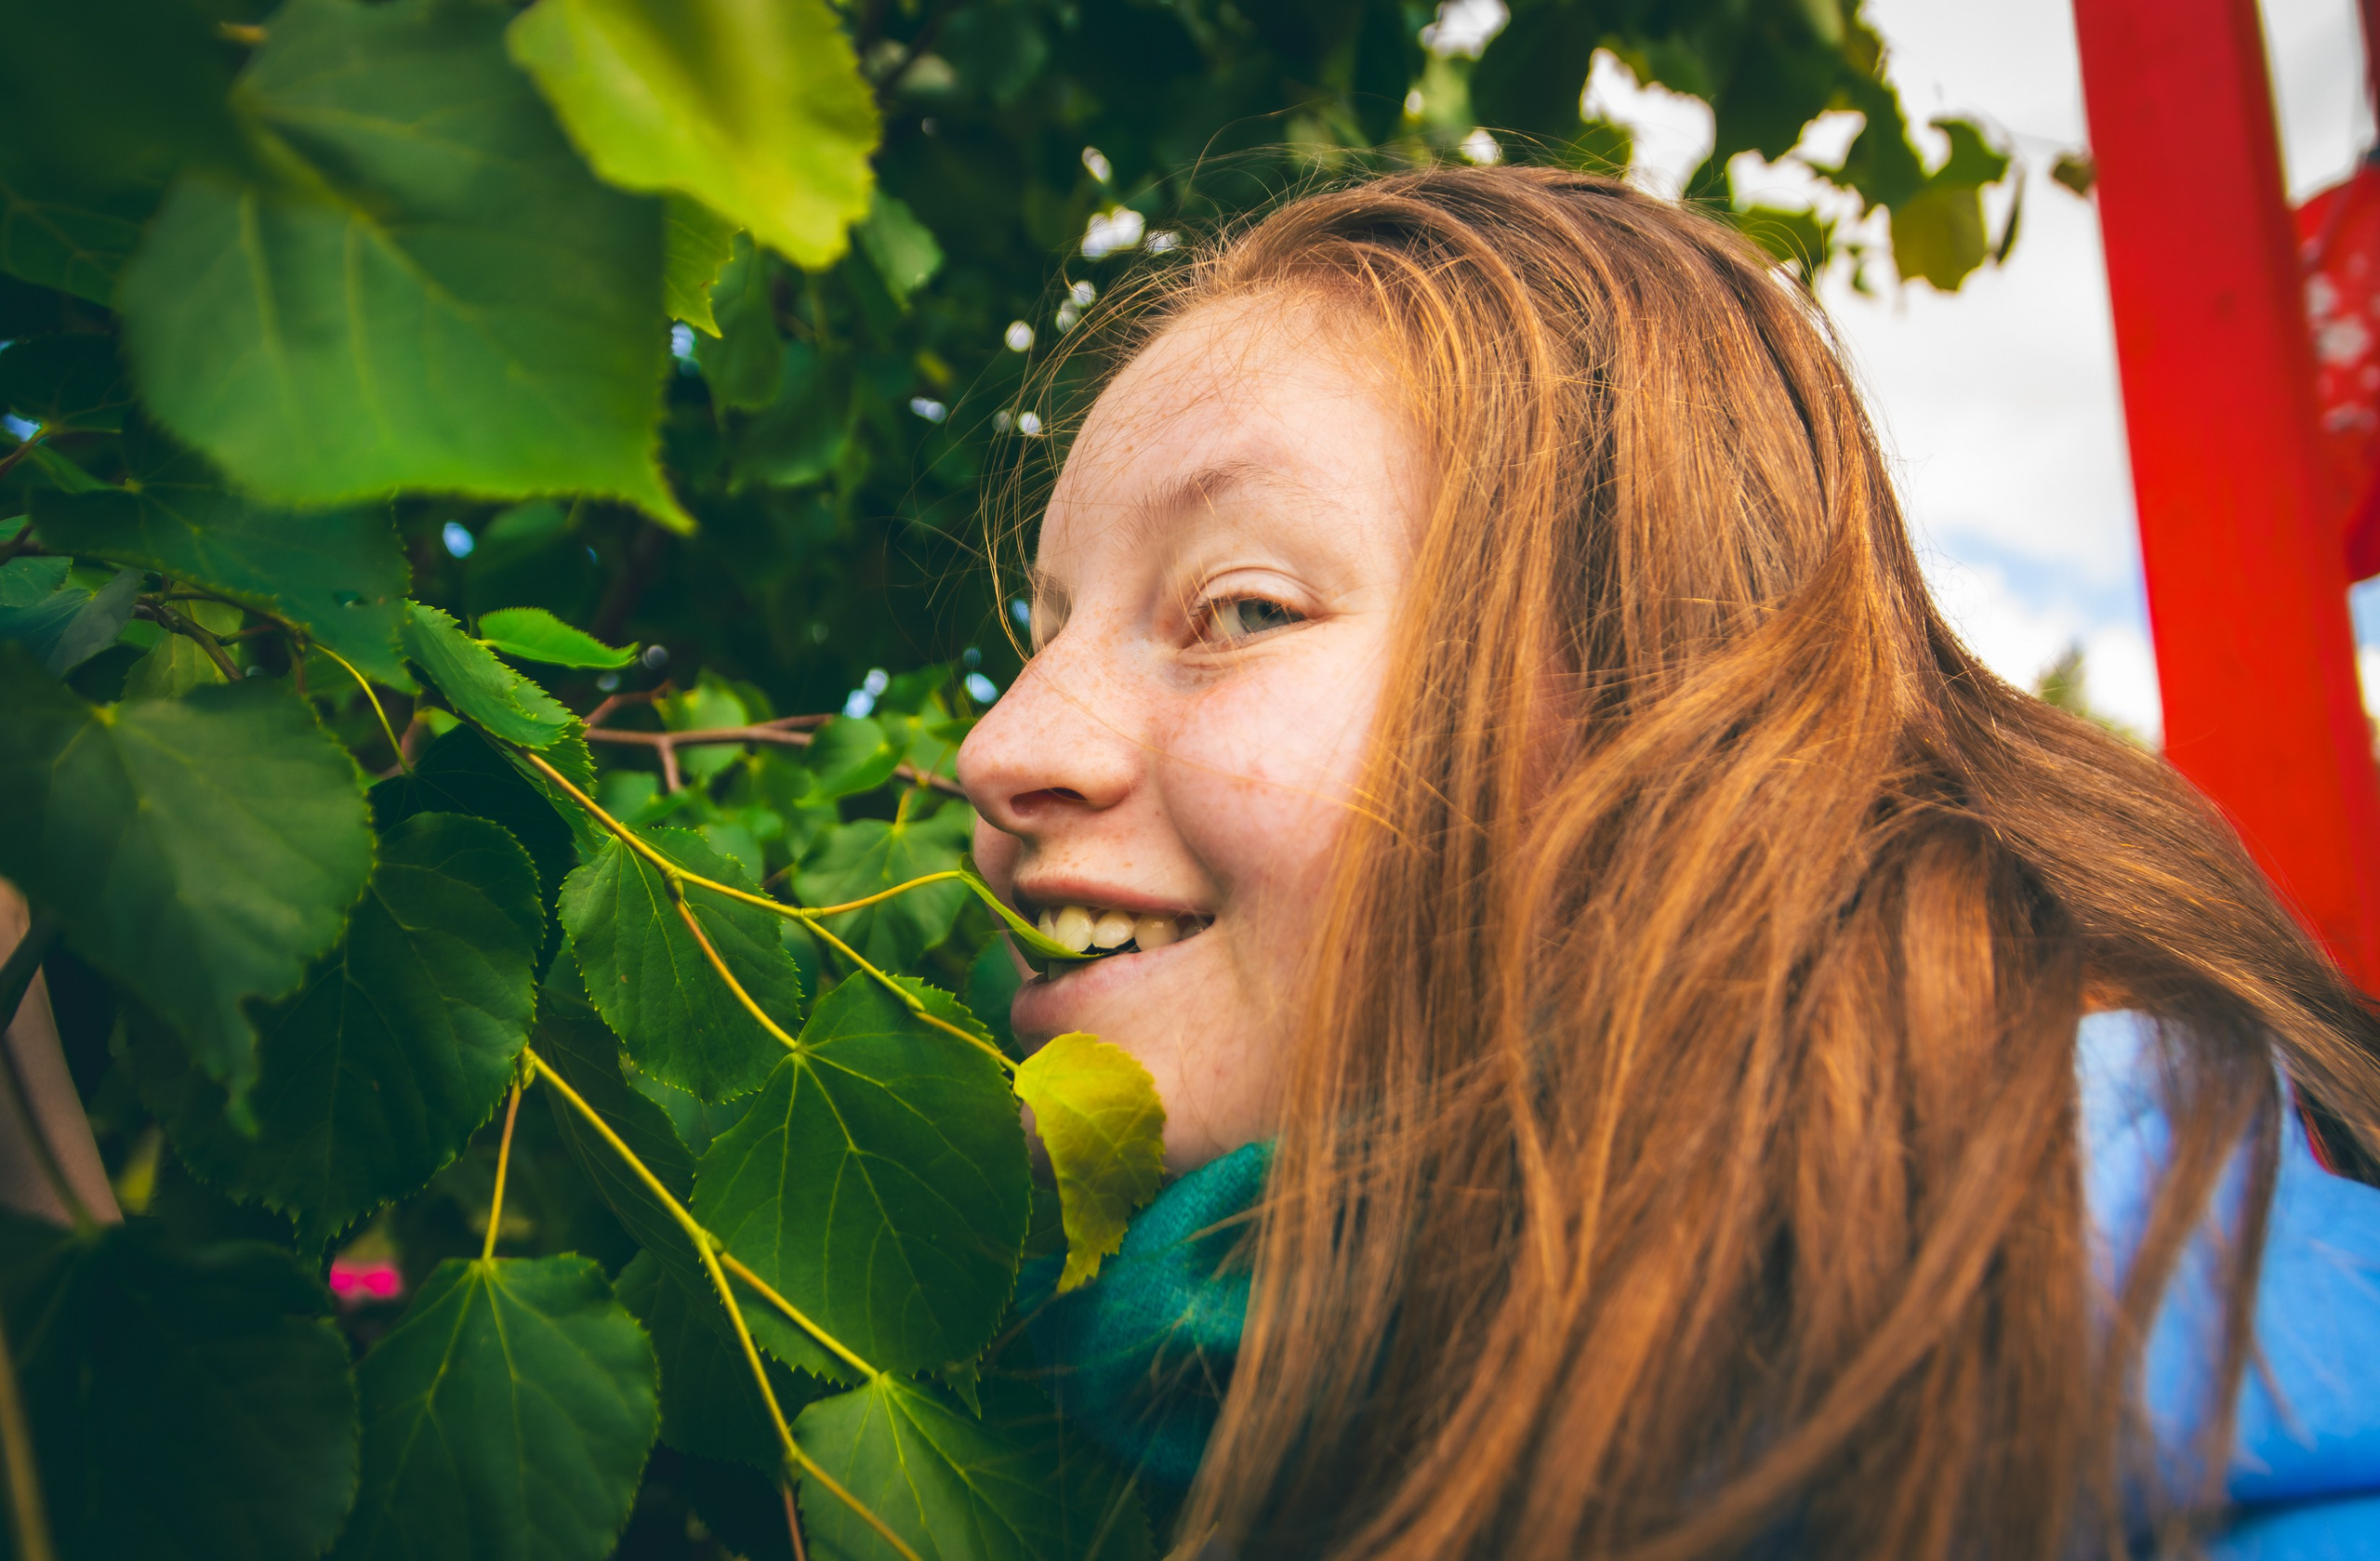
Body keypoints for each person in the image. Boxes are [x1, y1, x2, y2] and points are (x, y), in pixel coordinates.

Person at [956, 165, 2380, 1561]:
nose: (1002, 746)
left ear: (1675, 717)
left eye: (1243, 607)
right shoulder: (1194, 1382)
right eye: (1045, 632)